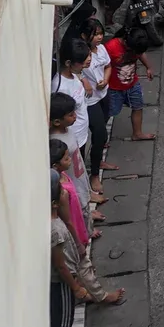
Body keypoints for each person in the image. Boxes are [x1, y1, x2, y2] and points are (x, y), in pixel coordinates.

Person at [52, 140, 125, 305]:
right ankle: (101, 296)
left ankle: (86, 289)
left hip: (79, 226)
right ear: (55, 165)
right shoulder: (60, 193)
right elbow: (69, 221)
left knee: (81, 265)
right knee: (83, 264)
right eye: (65, 158)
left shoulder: (63, 177)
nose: (69, 159)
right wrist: (78, 241)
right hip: (74, 233)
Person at [50, 171, 95, 327]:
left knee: (62, 322)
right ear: (54, 203)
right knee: (64, 323)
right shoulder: (55, 230)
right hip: (62, 283)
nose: (65, 193)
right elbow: (60, 266)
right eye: (61, 191)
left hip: (65, 278)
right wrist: (75, 286)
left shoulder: (55, 221)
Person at [79, 19, 119, 193]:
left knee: (102, 131)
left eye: (100, 33)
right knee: (100, 131)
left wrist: (106, 79)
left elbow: (108, 66)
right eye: (95, 34)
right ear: (84, 36)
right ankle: (94, 175)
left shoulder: (102, 49)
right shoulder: (81, 53)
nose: (99, 37)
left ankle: (98, 158)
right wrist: (84, 80)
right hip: (91, 101)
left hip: (104, 93)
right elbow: (75, 70)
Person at [50, 92, 97, 229]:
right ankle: (86, 232)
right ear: (57, 121)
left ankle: (88, 227)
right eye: (71, 115)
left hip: (80, 177)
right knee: (79, 212)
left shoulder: (68, 131)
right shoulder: (55, 142)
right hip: (72, 185)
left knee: (85, 207)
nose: (75, 116)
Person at [105, 27, 155, 141]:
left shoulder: (137, 47)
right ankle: (101, 139)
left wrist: (149, 67)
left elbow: (141, 54)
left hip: (133, 84)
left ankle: (137, 133)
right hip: (114, 88)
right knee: (109, 113)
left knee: (138, 106)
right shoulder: (111, 47)